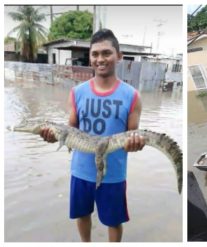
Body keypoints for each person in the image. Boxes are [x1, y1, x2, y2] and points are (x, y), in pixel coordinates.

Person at [40, 29, 145, 242]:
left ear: (119, 56)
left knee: (114, 221)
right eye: (95, 54)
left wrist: (136, 144)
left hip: (113, 174)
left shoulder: (132, 96)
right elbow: (70, 130)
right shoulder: (77, 92)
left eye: (106, 53)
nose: (100, 59)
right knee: (81, 214)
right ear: (90, 57)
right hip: (81, 171)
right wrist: (53, 136)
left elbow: (131, 137)